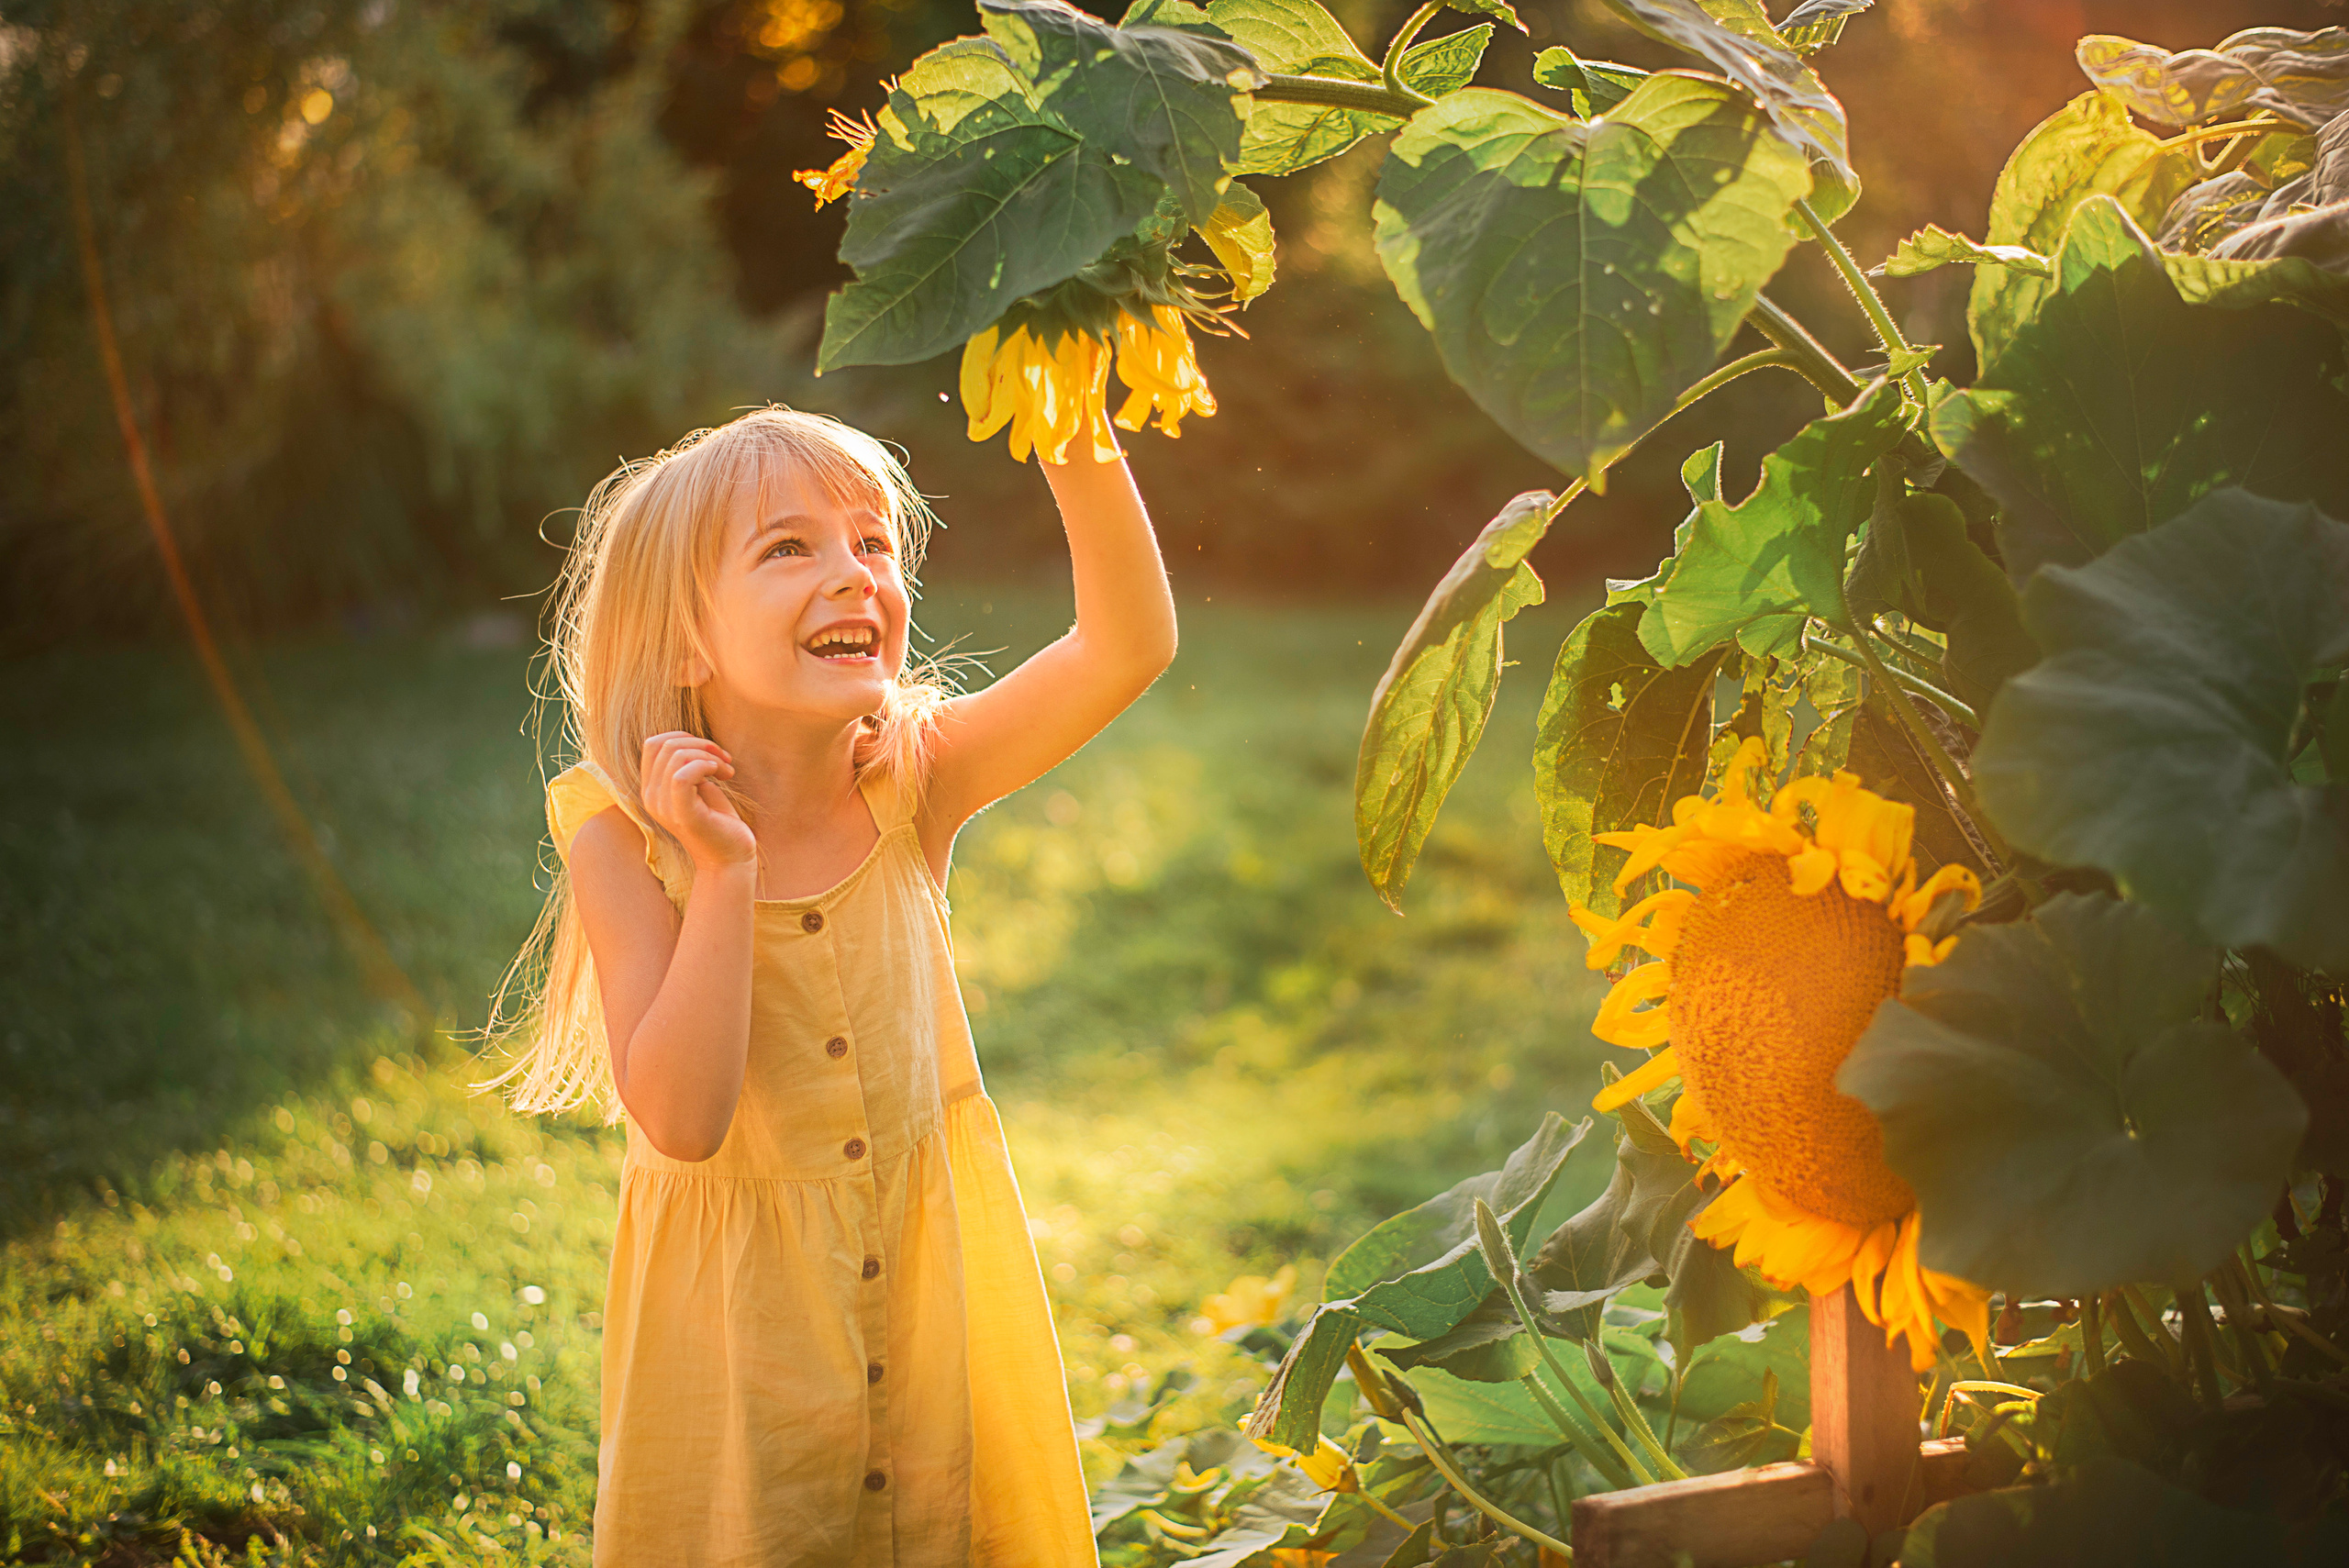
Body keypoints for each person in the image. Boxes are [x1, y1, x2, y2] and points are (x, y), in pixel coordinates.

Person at [479, 401, 1174, 1563]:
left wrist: (1072, 428)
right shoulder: (621, 838)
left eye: (873, 543)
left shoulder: (915, 781)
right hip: (743, 1346)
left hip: (930, 1301)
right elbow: (684, 1117)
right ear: (686, 640)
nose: (853, 574)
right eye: (789, 547)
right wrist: (723, 868)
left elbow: (1127, 646)